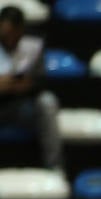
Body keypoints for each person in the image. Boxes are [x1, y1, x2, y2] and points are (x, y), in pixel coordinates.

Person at [0, 5, 63, 173]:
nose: (9, 38)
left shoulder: (33, 45)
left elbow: (41, 81)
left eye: (13, 33)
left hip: (21, 107)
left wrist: (25, 85)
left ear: (21, 29)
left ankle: (55, 168)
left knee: (47, 101)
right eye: (5, 33)